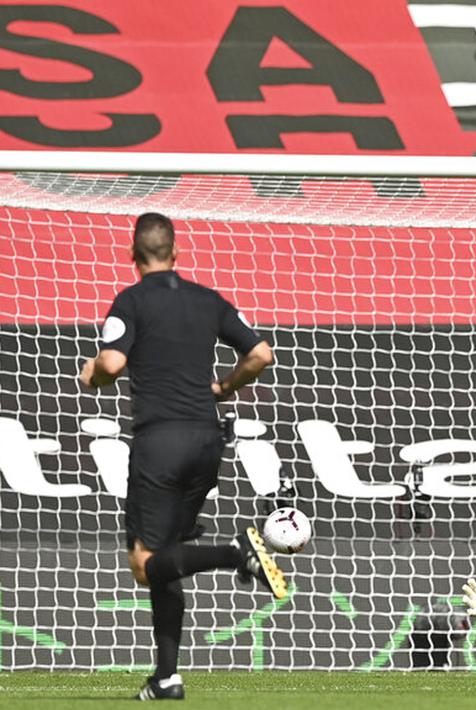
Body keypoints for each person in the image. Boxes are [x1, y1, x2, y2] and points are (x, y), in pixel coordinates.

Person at [78, 212, 285, 700]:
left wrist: (92, 373)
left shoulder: (131, 300)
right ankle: (166, 677)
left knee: (144, 563)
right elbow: (261, 354)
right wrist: (224, 388)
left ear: (133, 256)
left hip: (160, 442)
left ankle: (237, 553)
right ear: (176, 253)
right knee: (167, 558)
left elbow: (111, 362)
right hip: (207, 441)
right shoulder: (206, 299)